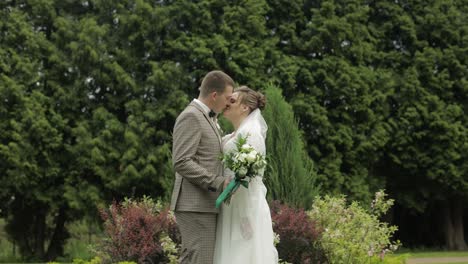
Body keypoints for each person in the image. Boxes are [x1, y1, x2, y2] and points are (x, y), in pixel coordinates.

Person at [170, 70, 234, 264]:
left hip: (203, 205)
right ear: (214, 95)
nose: (228, 103)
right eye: (227, 98)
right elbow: (181, 161)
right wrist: (216, 181)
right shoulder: (191, 116)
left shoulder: (208, 118)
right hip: (194, 205)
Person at [213, 86, 278, 263]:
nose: (227, 103)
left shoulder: (252, 134)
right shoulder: (235, 135)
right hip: (230, 205)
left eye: (232, 101)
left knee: (243, 254)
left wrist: (245, 217)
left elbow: (247, 178)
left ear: (245, 108)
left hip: (245, 208)